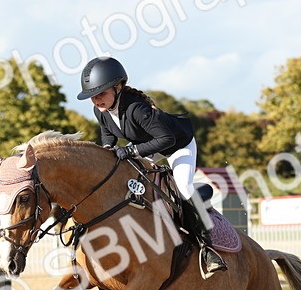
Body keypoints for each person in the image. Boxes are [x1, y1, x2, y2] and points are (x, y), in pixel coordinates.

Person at [76, 56, 227, 278]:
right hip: (148, 146)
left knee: (183, 188)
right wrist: (107, 152)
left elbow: (166, 139)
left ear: (118, 87)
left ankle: (208, 248)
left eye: (101, 93)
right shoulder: (101, 111)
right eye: (92, 96)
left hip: (177, 144)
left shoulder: (137, 108)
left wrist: (130, 151)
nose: (97, 100)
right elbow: (107, 136)